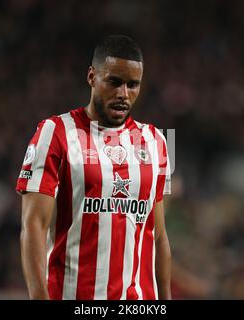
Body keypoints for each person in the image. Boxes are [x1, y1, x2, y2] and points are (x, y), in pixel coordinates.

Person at [16, 34, 172, 300]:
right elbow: (33, 225)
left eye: (133, 85)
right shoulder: (55, 133)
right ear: (92, 77)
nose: (124, 94)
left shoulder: (155, 141)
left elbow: (157, 235)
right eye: (114, 82)